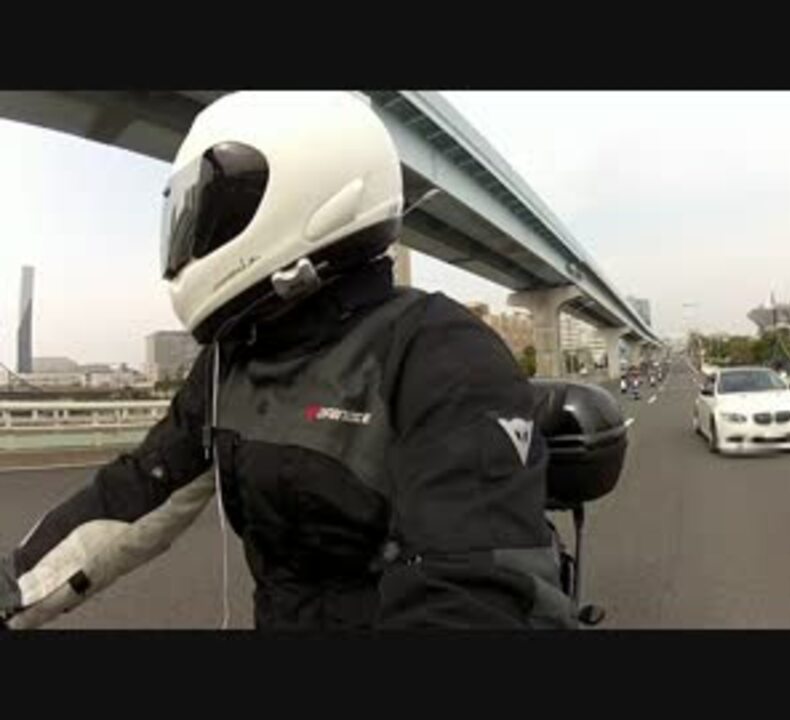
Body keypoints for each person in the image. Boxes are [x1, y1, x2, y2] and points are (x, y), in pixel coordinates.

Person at [0, 91, 575, 630]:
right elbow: (136, 491)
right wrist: (10, 590)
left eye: (212, 207)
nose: (191, 235)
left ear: (304, 192)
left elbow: (477, 590)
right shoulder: (231, 360)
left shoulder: (441, 353)